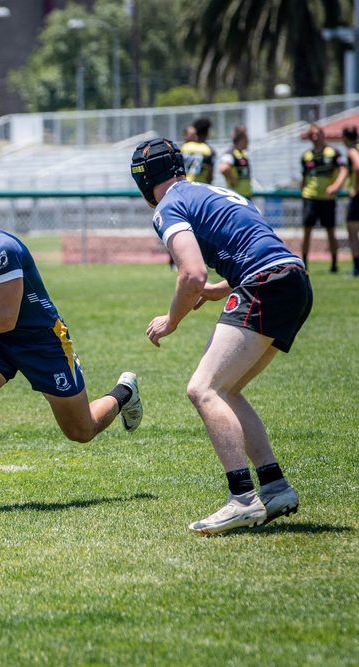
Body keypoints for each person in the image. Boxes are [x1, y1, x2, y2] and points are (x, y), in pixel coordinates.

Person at [0, 182, 144, 511]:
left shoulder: (0, 250)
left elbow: (5, 317)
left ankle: (124, 393)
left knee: (80, 430)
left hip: (41, 339)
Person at [131, 138, 310, 535]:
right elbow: (251, 244)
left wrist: (172, 319)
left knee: (203, 389)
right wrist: (218, 289)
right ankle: (275, 487)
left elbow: (191, 273)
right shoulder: (214, 191)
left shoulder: (167, 208)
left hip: (264, 283)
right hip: (293, 279)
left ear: (143, 182)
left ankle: (242, 499)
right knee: (227, 390)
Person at [300, 123, 348, 272]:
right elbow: (304, 177)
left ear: (322, 135)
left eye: (317, 133)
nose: (315, 137)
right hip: (310, 198)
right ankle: (304, 265)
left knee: (331, 231)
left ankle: (334, 264)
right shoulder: (306, 156)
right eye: (312, 134)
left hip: (327, 200)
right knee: (307, 231)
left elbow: (343, 170)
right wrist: (302, 191)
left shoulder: (332, 153)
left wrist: (336, 186)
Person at [340, 126, 359, 277]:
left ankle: (357, 268)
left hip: (357, 198)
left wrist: (356, 189)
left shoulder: (352, 150)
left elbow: (358, 167)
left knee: (353, 233)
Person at [218, 126, 252, 199]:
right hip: (236, 197)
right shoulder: (231, 153)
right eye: (246, 138)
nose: (248, 141)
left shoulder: (243, 154)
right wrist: (233, 181)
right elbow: (224, 168)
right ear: (241, 139)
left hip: (245, 196)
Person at [180, 119, 214, 185]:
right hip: (200, 185)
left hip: (185, 183)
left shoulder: (185, 147)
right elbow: (209, 175)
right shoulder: (208, 150)